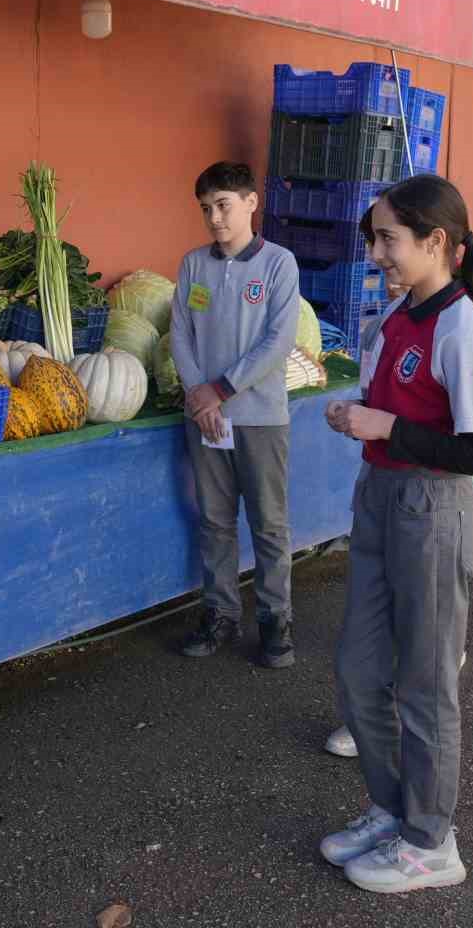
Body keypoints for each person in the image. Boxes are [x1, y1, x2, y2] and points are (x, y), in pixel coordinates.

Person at [318, 174, 473, 895]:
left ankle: (432, 842)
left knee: (426, 688)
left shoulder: (462, 327)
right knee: (359, 672)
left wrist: (387, 426)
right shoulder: (400, 314)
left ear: (435, 242)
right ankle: (393, 808)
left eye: (388, 239)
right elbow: (391, 402)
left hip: (434, 512)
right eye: (374, 237)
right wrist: (360, 412)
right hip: (381, 501)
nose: (376, 252)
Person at [168, 162, 301, 668]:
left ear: (251, 203)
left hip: (260, 419)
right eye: (206, 208)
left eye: (223, 205)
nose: (214, 218)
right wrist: (198, 394)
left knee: (269, 525)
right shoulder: (193, 266)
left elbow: (279, 341)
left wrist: (219, 389)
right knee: (215, 522)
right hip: (205, 421)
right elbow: (180, 331)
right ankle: (221, 612)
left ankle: (275, 619)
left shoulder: (278, 265)